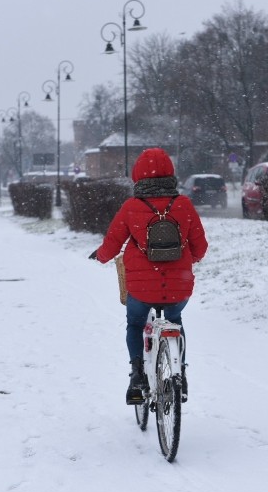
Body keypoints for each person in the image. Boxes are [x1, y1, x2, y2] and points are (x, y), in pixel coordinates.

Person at [89, 148, 208, 404]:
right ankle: (181, 374)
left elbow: (112, 244)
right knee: (175, 319)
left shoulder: (132, 207)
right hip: (179, 287)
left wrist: (99, 256)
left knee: (135, 323)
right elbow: (200, 248)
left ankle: (137, 375)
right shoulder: (184, 205)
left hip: (141, 289)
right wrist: (187, 260)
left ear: (137, 176)